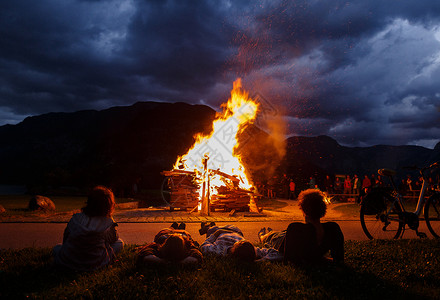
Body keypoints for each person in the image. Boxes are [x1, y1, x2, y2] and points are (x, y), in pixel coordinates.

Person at [53, 186, 124, 271]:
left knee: (57, 247)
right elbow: (114, 239)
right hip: (95, 263)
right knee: (120, 243)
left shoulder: (76, 218)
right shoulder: (108, 222)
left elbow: (66, 238)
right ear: (109, 205)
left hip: (69, 261)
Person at [264, 189, 344, 265]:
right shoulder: (333, 228)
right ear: (323, 209)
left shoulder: (295, 228)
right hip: (288, 235)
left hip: (281, 240)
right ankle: (271, 233)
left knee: (273, 236)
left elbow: (289, 260)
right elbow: (339, 259)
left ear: (303, 210)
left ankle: (264, 235)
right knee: (282, 233)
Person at [199, 223, 282, 262]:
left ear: (234, 247)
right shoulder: (252, 251)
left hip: (221, 232)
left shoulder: (219, 250)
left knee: (211, 230)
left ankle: (209, 226)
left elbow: (203, 246)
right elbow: (277, 254)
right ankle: (211, 225)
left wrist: (216, 234)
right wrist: (260, 261)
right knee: (226, 227)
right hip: (236, 231)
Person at [136, 222, 202, 266]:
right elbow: (197, 256)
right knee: (176, 229)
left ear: (165, 244)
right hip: (180, 234)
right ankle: (177, 227)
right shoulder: (188, 245)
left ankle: (173, 227)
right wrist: (178, 263)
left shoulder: (158, 247)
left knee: (170, 229)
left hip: (171, 233)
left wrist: (163, 262)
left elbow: (145, 255)